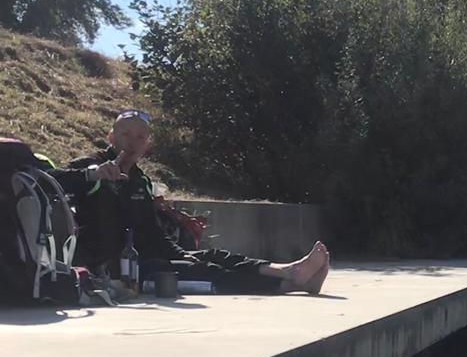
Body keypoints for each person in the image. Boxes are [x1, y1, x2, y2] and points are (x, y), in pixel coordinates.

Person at [54, 109, 329, 295]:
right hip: (117, 269)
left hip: (149, 257)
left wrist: (179, 252)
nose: (132, 142)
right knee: (204, 271)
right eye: (125, 134)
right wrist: (90, 176)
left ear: (147, 144)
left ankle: (289, 270)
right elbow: (47, 180)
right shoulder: (91, 165)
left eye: (140, 137)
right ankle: (290, 284)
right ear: (111, 137)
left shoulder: (140, 180)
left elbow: (152, 231)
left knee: (211, 256)